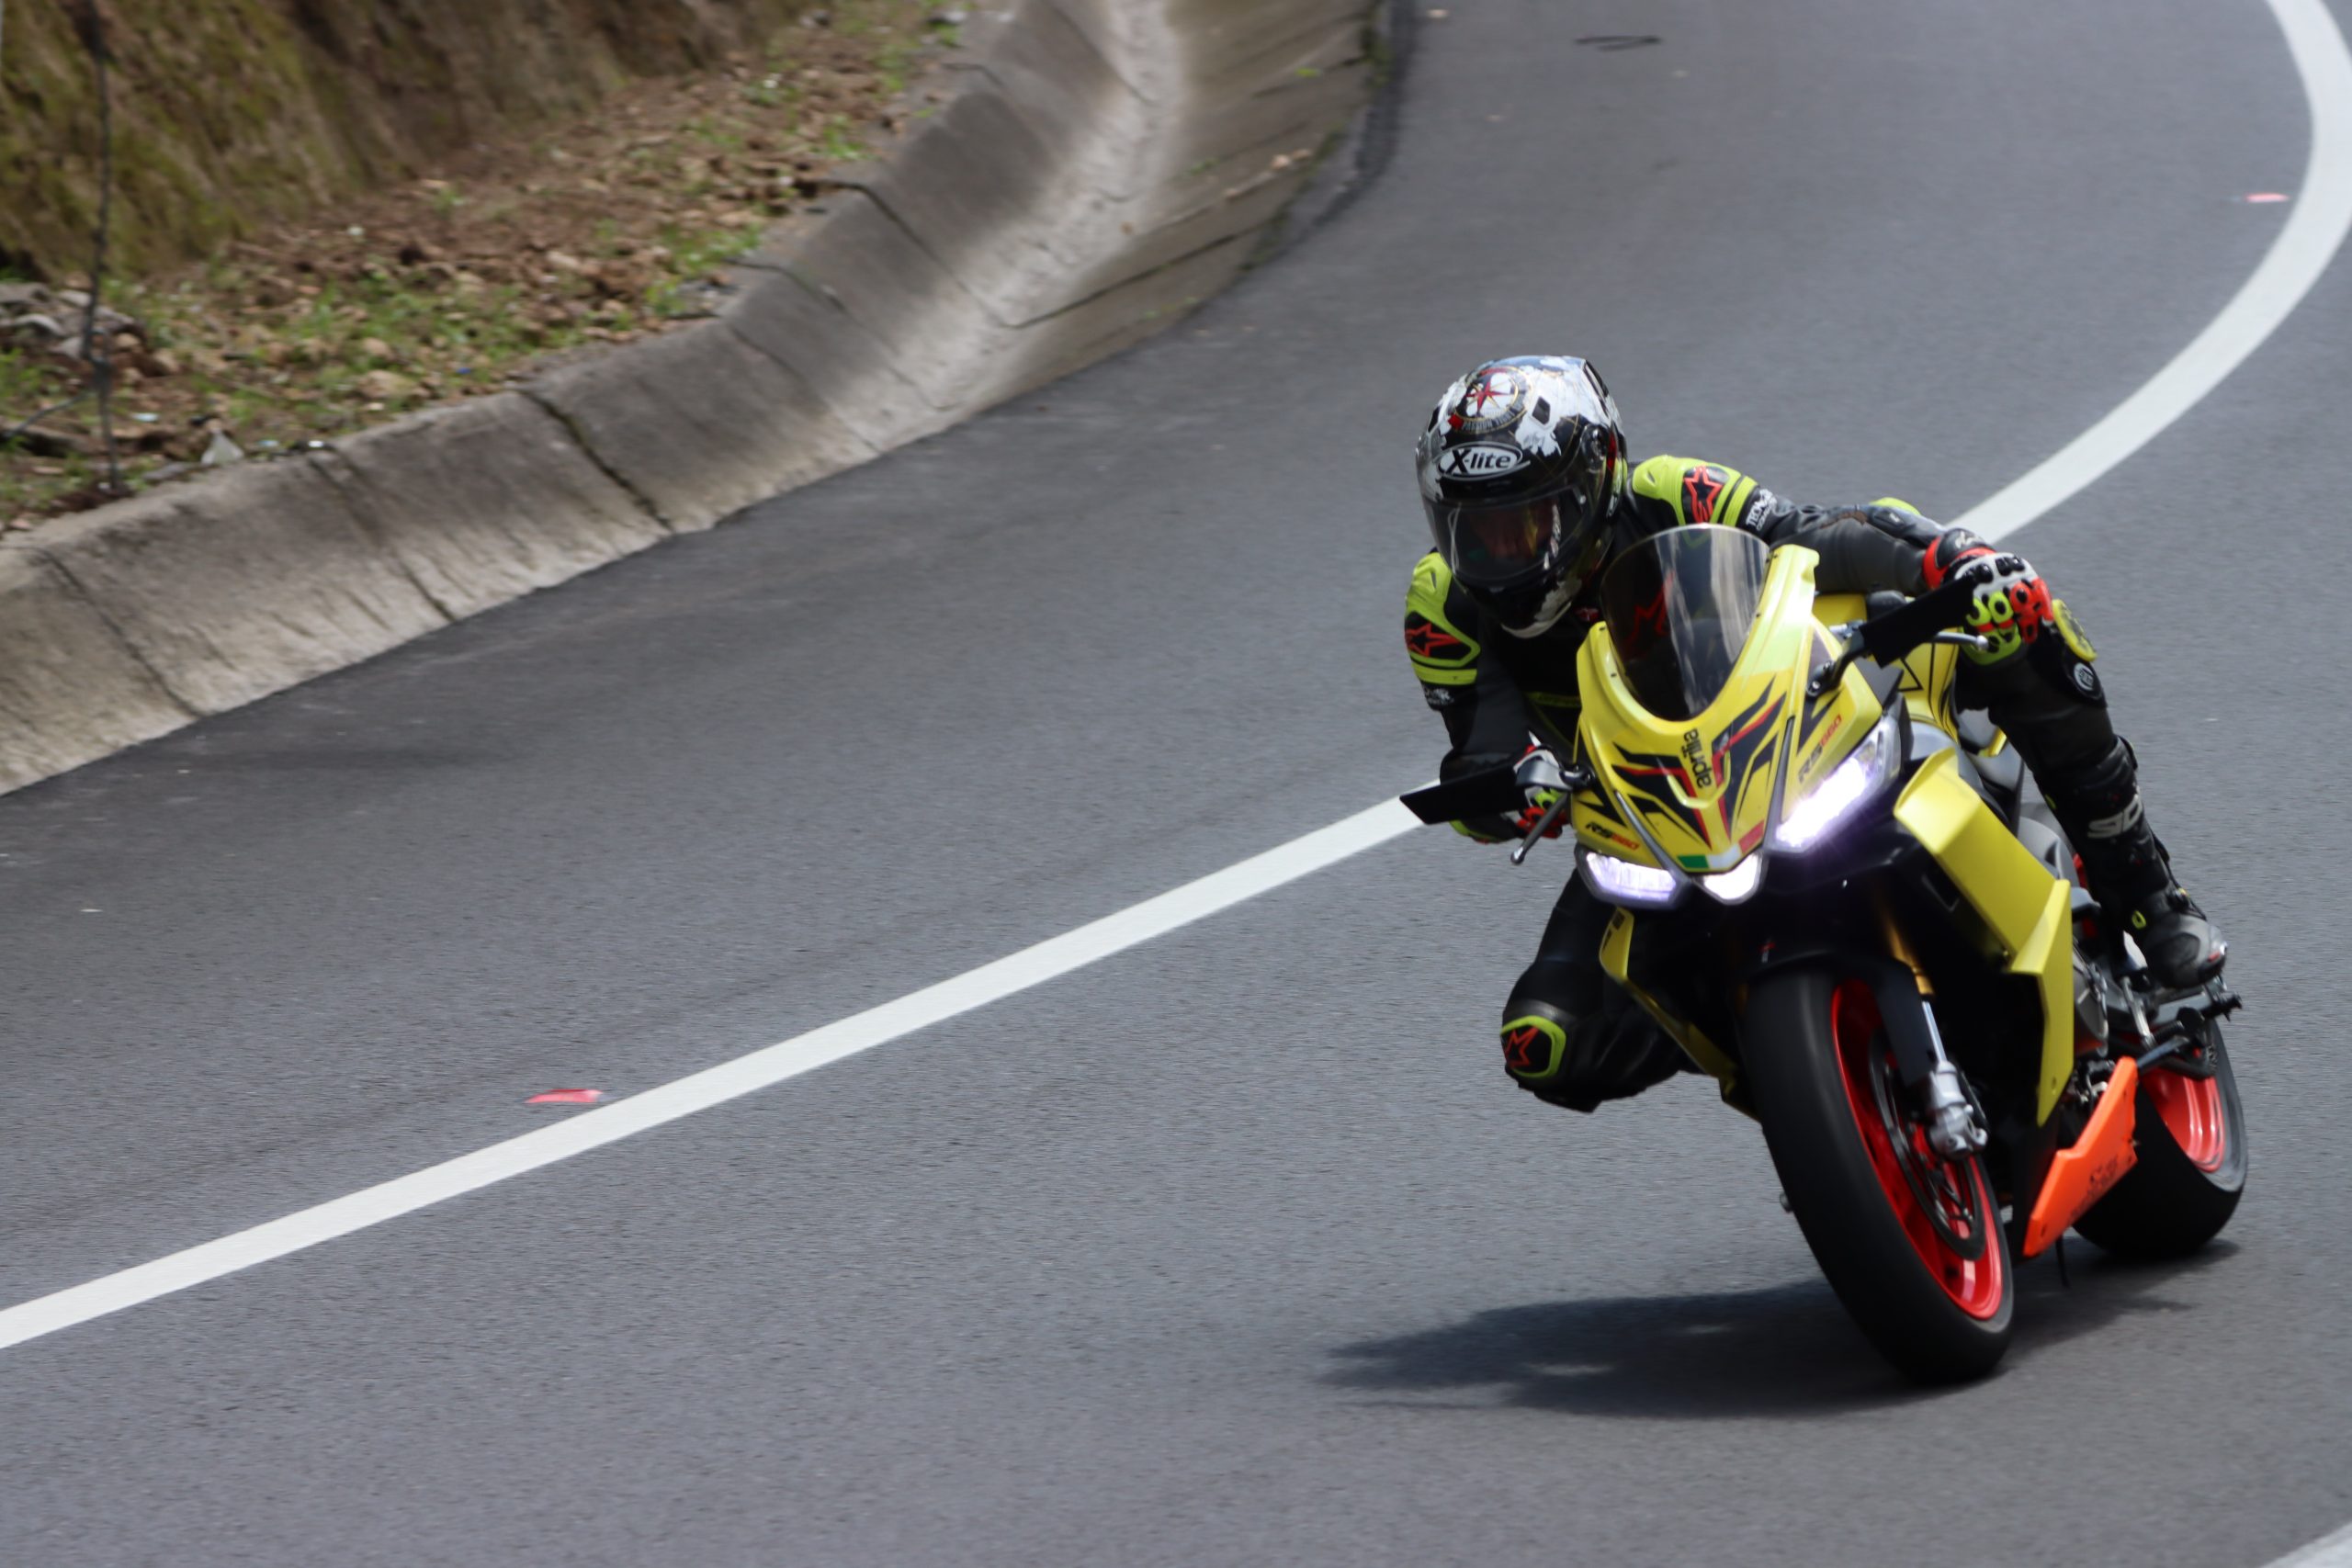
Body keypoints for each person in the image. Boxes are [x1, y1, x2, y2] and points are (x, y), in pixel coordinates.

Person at [1407, 355, 2227, 1111]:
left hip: (1786, 730)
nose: (1504, 553)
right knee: (1546, 1043)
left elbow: (1812, 535)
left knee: (2015, 620)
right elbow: (1482, 747)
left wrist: (1947, 561)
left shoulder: (1673, 492)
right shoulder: (1444, 607)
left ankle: (2148, 893)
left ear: (1597, 479)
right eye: (1478, 531)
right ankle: (1796, 1075)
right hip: (1644, 815)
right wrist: (1505, 790)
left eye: (1530, 520)